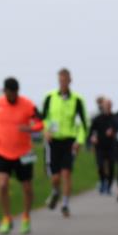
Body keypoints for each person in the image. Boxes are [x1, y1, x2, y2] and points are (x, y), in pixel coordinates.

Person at [0, 77, 43, 235]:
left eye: (14, 94)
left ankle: (26, 217)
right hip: (2, 150)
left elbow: (40, 123)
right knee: (2, 185)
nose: (11, 97)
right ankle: (6, 218)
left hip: (25, 152)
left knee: (27, 187)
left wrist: (31, 129)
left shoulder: (28, 104)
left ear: (18, 92)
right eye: (9, 93)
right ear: (5, 92)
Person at [41, 68, 88, 217]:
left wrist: (79, 140)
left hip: (69, 140)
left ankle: (65, 204)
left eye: (65, 80)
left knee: (66, 173)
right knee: (55, 177)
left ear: (70, 81)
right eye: (60, 80)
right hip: (53, 140)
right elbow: (43, 118)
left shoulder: (77, 100)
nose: (62, 83)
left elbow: (84, 123)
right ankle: (56, 191)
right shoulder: (49, 97)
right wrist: (46, 130)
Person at [88, 98, 116, 195]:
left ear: (111, 106)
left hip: (112, 146)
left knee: (111, 166)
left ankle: (109, 186)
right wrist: (92, 138)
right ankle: (103, 181)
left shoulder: (114, 118)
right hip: (100, 146)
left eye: (109, 104)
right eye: (105, 104)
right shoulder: (97, 118)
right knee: (100, 165)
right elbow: (91, 131)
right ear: (102, 106)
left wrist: (113, 132)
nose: (107, 106)